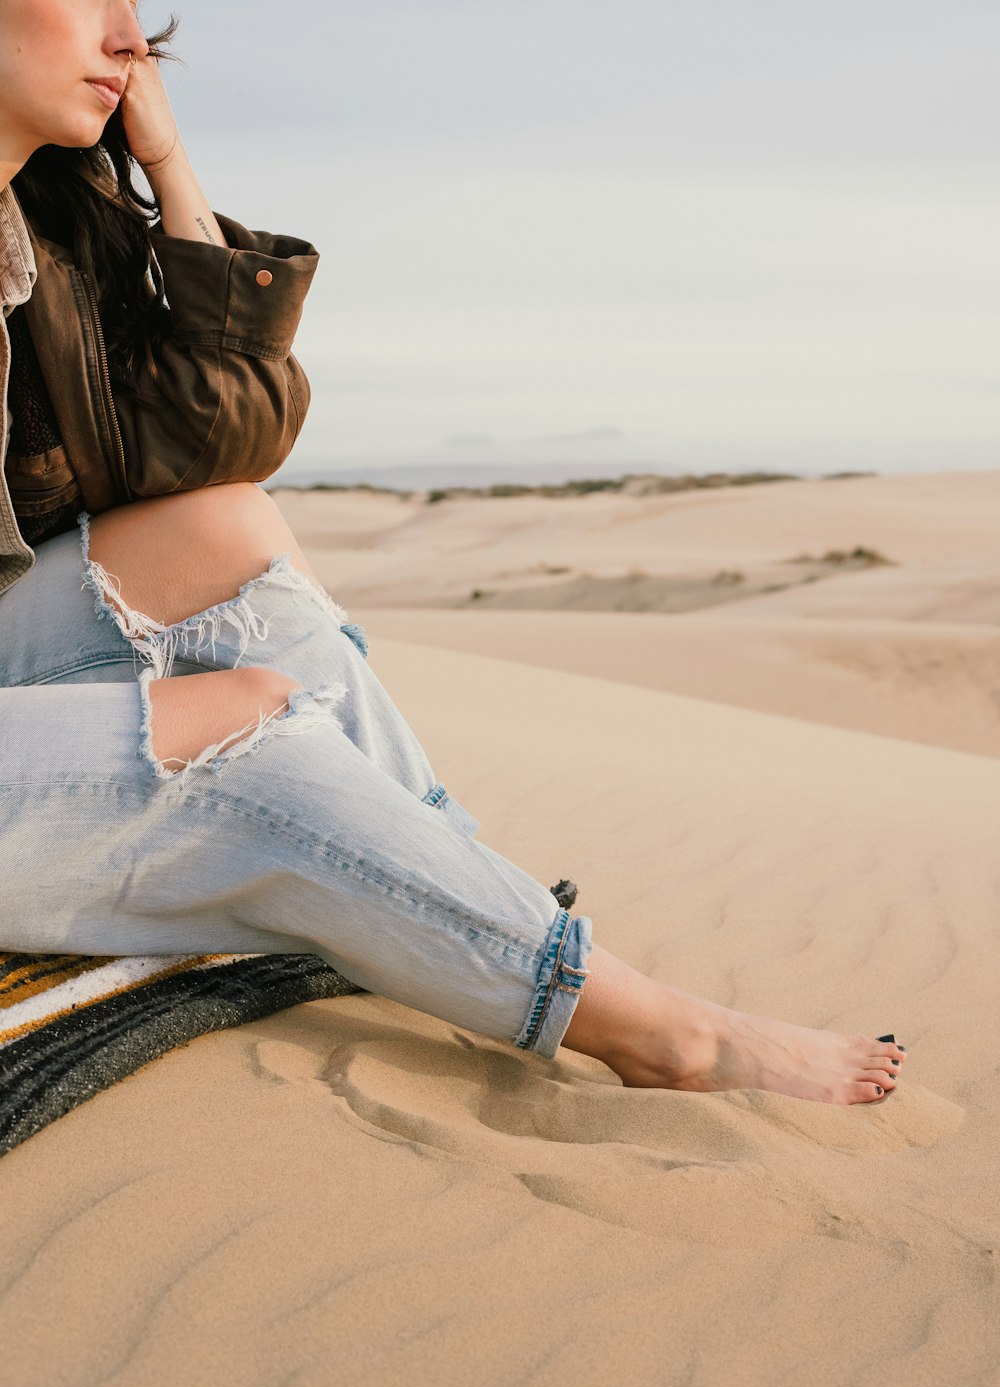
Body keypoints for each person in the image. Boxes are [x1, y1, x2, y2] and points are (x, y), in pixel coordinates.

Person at [0, 0, 906, 1105]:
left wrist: (170, 165)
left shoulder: (32, 235)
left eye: (133, 4)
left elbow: (214, 442)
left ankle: (452, 883)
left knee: (226, 528)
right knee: (242, 730)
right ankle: (661, 1036)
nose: (128, 35)